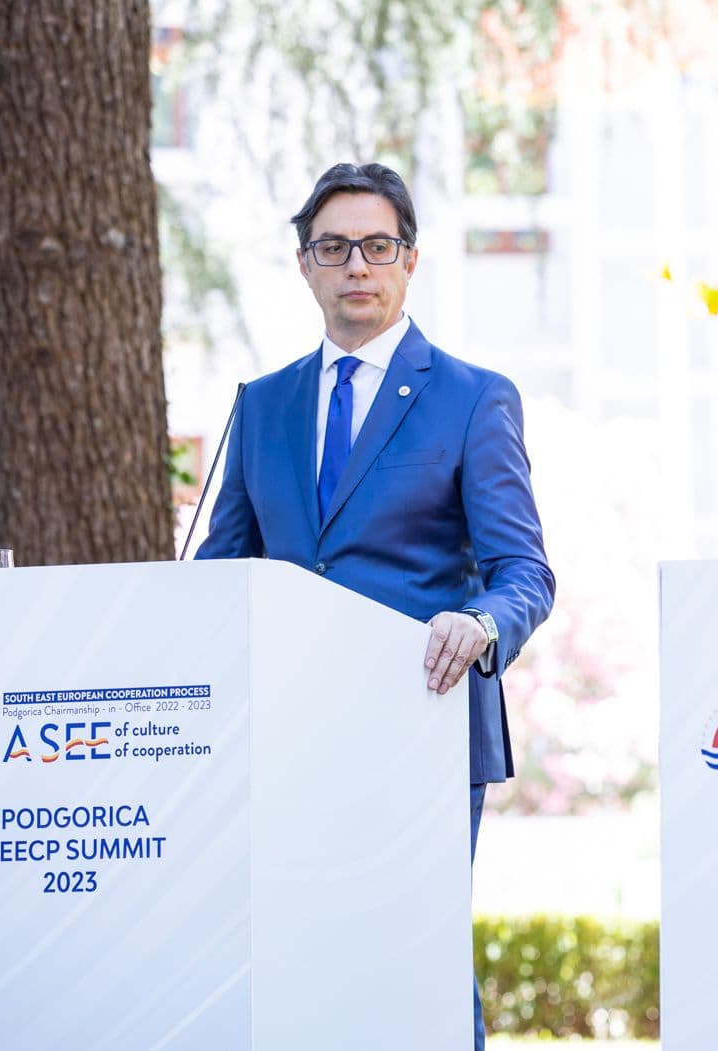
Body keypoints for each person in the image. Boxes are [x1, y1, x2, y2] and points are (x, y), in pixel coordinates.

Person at [196, 162, 555, 1049]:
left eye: (377, 245)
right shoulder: (261, 405)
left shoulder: (473, 397)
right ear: (304, 265)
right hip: (288, 732)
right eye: (333, 247)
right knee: (302, 963)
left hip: (421, 723)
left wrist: (481, 623)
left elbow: (523, 571)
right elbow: (222, 569)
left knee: (415, 966)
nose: (356, 264)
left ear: (410, 260)